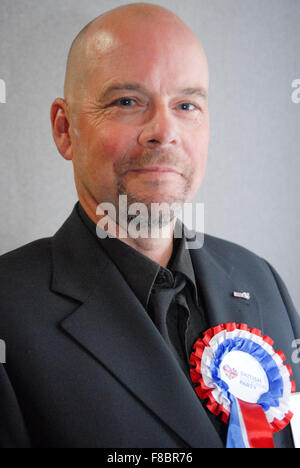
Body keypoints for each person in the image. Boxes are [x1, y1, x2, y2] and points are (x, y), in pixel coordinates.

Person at [0, 3, 299, 449]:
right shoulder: (8, 309)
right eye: (126, 101)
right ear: (65, 130)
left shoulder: (261, 280)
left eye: (186, 104)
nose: (164, 129)